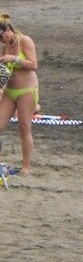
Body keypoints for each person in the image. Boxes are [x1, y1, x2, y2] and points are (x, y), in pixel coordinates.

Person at [0, 16, 39, 174]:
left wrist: (14, 59)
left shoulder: (25, 41)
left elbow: (33, 65)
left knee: (24, 127)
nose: (2, 41)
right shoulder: (5, 47)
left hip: (27, 90)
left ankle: (26, 167)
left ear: (8, 30)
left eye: (1, 37)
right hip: (10, 91)